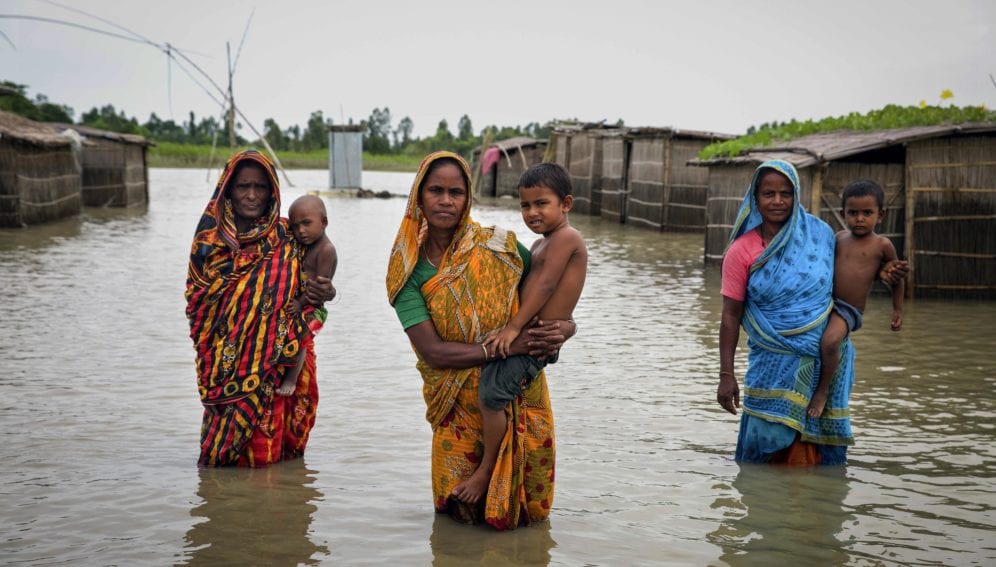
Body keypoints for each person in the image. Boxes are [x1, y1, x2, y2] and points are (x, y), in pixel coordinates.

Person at [386, 151, 575, 530]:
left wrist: (568, 329)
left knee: (529, 517)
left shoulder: (498, 247)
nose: (445, 201)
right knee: (455, 516)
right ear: (418, 198)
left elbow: (548, 297)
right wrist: (509, 346)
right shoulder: (407, 271)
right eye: (435, 191)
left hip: (519, 394)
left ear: (467, 196)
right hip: (455, 407)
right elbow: (433, 352)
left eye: (455, 192)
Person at [451, 163, 587, 504]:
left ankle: (484, 472)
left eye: (542, 203)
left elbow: (546, 284)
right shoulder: (541, 244)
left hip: (535, 342)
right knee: (493, 390)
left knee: (491, 396)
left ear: (566, 204)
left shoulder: (567, 238)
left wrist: (513, 328)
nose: (532, 212)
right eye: (525, 205)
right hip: (527, 338)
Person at [186, 150, 333, 467]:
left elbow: (319, 269)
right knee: (223, 468)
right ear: (227, 189)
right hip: (225, 373)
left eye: (260, 187)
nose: (251, 195)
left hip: (282, 370)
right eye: (242, 187)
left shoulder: (288, 235)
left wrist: (327, 289)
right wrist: (208, 381)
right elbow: (199, 313)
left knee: (279, 459)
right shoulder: (208, 244)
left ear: (272, 192)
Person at [807, 180, 905, 417]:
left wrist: (897, 310)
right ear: (843, 214)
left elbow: (897, 277)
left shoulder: (883, 245)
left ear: (880, 215)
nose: (859, 218)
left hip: (848, 309)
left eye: (867, 213)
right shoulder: (838, 238)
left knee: (830, 342)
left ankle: (822, 392)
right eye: (853, 213)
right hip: (825, 303)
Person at [278, 195, 338, 397]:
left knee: (302, 336)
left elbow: (317, 288)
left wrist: (300, 303)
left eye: (306, 223)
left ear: (324, 222)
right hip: (300, 304)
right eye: (295, 226)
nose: (301, 231)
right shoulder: (305, 245)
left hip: (314, 308)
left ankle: (291, 379)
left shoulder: (326, 250)